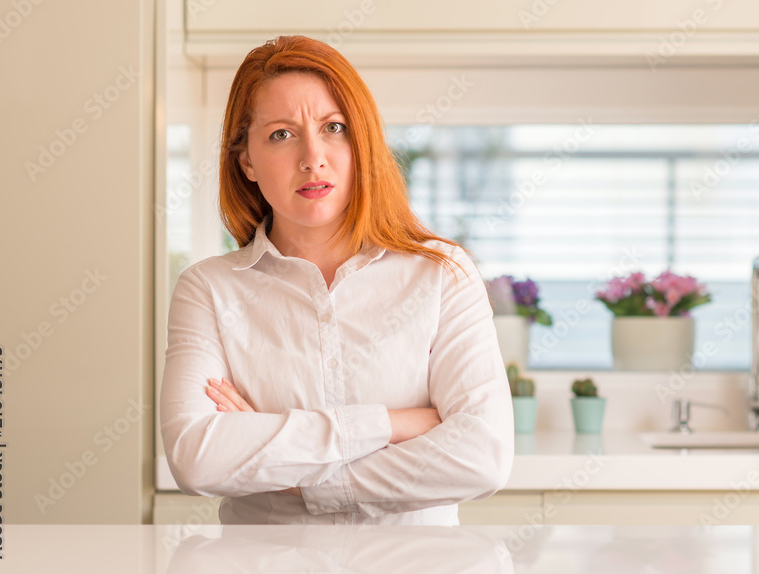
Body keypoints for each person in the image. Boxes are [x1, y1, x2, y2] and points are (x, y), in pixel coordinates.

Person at [159, 35, 514, 525]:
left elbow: (483, 456)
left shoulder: (441, 274)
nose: (312, 157)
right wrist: (394, 424)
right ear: (246, 161)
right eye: (281, 134)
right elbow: (197, 458)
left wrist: (288, 467)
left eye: (334, 127)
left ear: (361, 141)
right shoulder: (209, 289)